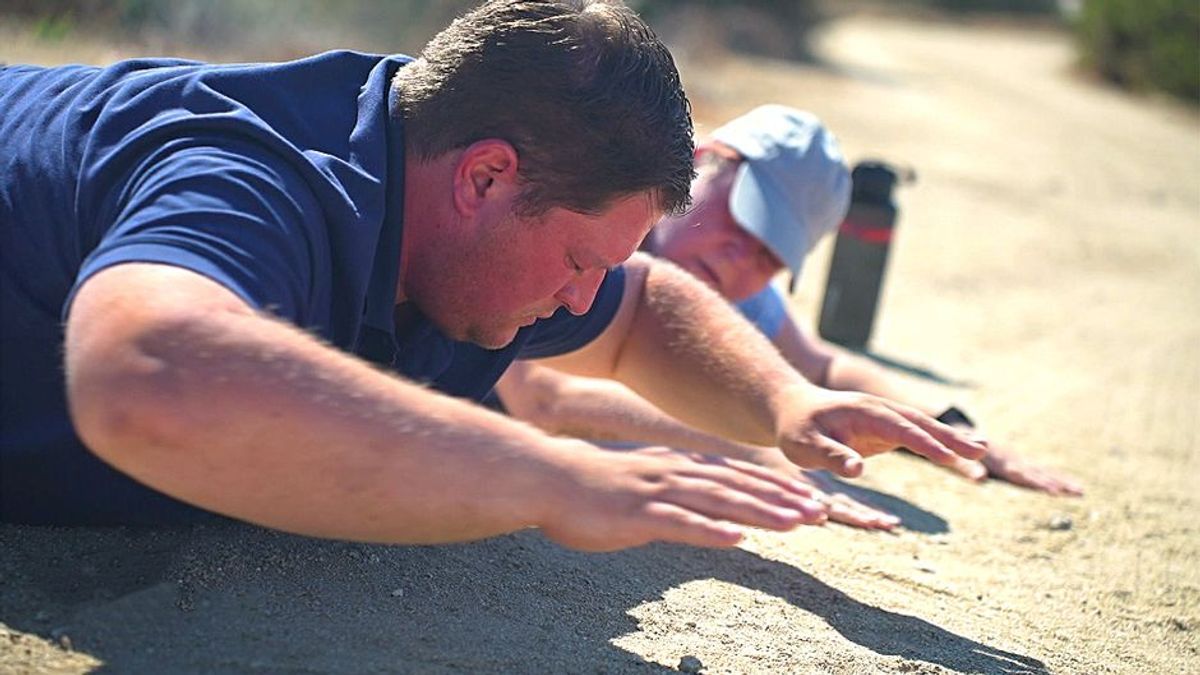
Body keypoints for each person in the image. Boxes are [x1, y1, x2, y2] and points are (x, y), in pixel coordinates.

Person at [0, 0, 987, 552]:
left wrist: (781, 402)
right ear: (484, 176)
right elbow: (145, 374)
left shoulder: (472, 225)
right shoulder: (258, 178)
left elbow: (639, 310)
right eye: (574, 261)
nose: (579, 296)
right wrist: (549, 477)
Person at [495, 105, 1082, 531]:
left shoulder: (716, 280)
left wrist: (950, 430)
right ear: (702, 160)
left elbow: (822, 368)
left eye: (770, 257)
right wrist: (757, 444)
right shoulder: (588, 218)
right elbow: (543, 393)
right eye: (744, 223)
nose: (740, 262)